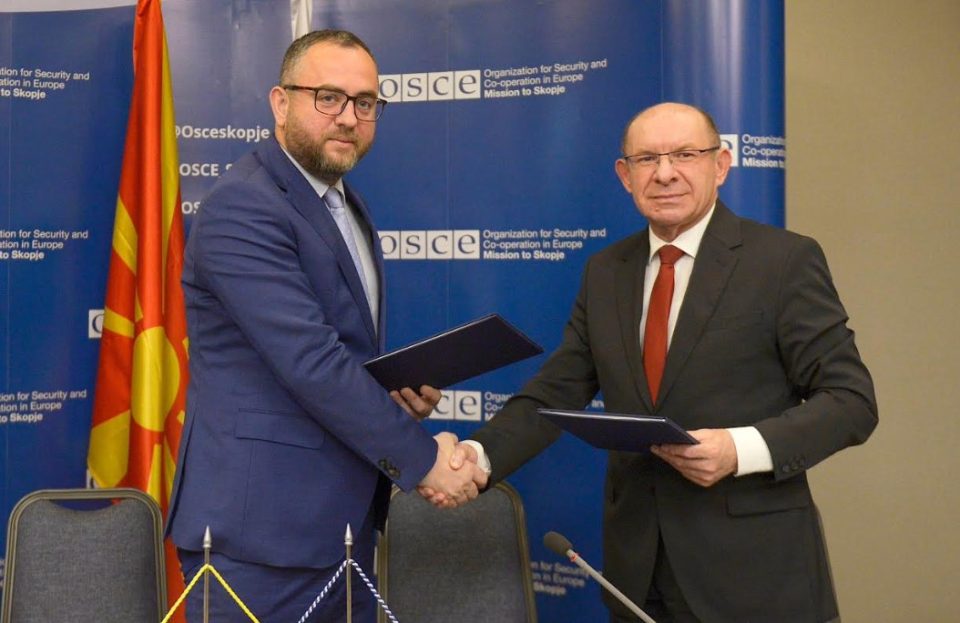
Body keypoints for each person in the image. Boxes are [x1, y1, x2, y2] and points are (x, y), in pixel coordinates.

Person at [434, 102, 878, 622]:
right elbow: (557, 390)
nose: (665, 173)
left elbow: (851, 401)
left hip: (755, 579)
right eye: (647, 159)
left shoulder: (782, 261)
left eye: (685, 155)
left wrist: (738, 449)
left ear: (721, 165)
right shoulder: (606, 271)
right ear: (625, 176)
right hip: (637, 577)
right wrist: (477, 457)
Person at [166, 30, 486, 622]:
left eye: (365, 103)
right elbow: (311, 362)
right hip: (261, 537)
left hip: (341, 526)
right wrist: (423, 460)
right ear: (280, 102)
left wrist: (391, 398)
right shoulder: (243, 204)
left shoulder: (345, 203)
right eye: (328, 97)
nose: (348, 117)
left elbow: (338, 353)